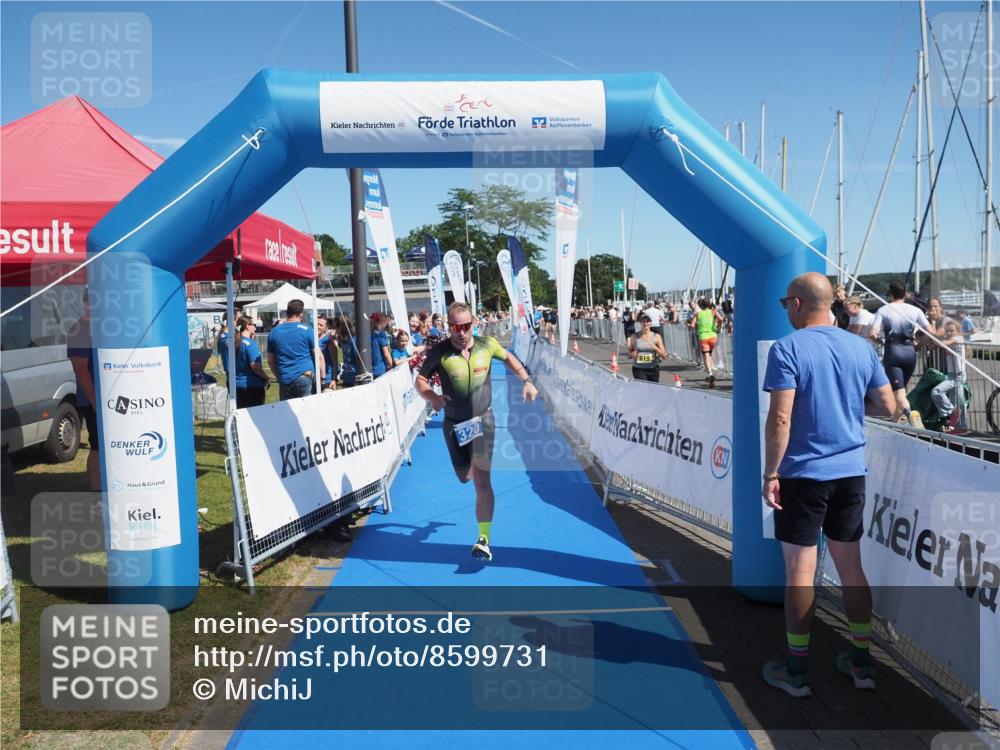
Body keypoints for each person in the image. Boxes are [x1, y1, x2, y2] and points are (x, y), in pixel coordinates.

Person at [761, 272, 895, 698]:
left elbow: (780, 418)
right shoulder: (861, 347)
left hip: (804, 474)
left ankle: (797, 670)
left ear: (798, 304)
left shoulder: (787, 349)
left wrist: (770, 473)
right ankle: (861, 664)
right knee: (851, 568)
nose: (786, 311)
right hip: (850, 471)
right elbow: (887, 406)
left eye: (786, 304)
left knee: (800, 573)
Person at [414, 302, 538, 562]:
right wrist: (430, 396)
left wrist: (526, 381)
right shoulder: (439, 352)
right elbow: (420, 380)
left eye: (466, 326)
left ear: (474, 323)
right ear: (448, 327)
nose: (461, 332)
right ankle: (467, 469)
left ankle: (483, 539)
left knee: (482, 481)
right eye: (456, 327)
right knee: (465, 477)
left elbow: (511, 359)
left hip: (484, 421)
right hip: (453, 424)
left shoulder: (487, 344)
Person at [869, 280, 930, 426]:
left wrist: (881, 342)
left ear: (890, 293)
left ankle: (911, 414)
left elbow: (872, 334)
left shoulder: (884, 310)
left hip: (893, 353)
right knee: (900, 394)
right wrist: (919, 343)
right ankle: (894, 423)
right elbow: (930, 331)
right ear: (906, 293)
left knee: (900, 394)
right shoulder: (915, 310)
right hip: (910, 353)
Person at [67, 291, 100, 491]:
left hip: (113, 399)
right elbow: (80, 369)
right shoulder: (79, 329)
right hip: (92, 400)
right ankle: (97, 493)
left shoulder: (105, 327)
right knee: (97, 446)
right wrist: (95, 402)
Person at [267, 299, 321, 400]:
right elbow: (318, 355)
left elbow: (270, 360)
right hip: (305, 375)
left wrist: (278, 376)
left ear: (287, 313)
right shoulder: (308, 330)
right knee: (306, 411)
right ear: (301, 314)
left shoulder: (274, 332)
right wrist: (322, 378)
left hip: (285, 377)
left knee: (287, 413)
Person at [930, 320, 967, 433]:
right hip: (952, 374)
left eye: (952, 331)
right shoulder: (950, 342)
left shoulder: (958, 339)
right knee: (959, 401)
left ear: (957, 331)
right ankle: (960, 426)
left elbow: (943, 343)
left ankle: (952, 412)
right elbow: (944, 349)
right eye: (948, 331)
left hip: (958, 375)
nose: (950, 333)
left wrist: (937, 342)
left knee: (936, 392)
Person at [233, 317, 269, 408]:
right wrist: (266, 377)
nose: (256, 328)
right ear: (247, 326)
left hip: (237, 384)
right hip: (252, 385)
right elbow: (255, 366)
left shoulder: (234, 342)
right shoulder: (250, 343)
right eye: (254, 325)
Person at [690, 298, 724, 388]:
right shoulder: (713, 311)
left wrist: (698, 325)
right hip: (713, 336)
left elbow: (692, 325)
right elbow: (721, 319)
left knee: (706, 356)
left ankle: (710, 373)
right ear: (709, 304)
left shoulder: (698, 313)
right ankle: (710, 378)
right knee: (709, 355)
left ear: (701, 306)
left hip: (703, 336)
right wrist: (718, 328)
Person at [627, 314, 668, 383]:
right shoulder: (634, 336)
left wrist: (655, 348)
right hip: (639, 368)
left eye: (648, 321)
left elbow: (664, 355)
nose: (646, 323)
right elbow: (630, 351)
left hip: (653, 369)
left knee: (653, 390)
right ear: (640, 323)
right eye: (643, 321)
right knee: (643, 387)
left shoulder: (656, 336)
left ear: (651, 323)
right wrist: (631, 354)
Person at [319, 316, 339, 391]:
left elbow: (335, 361)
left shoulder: (329, 341)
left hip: (328, 379)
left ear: (326, 327)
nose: (318, 327)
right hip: (315, 379)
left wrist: (334, 379)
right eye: (317, 324)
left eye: (321, 325)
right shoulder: (312, 339)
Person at [336, 316, 358, 388]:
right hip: (344, 376)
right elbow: (340, 358)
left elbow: (357, 356)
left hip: (354, 376)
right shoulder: (340, 339)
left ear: (341, 328)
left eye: (336, 328)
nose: (335, 330)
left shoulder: (353, 340)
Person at [370, 312, 392, 378]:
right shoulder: (381, 335)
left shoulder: (370, 333)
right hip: (380, 368)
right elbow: (386, 354)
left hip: (370, 368)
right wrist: (392, 365)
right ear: (383, 322)